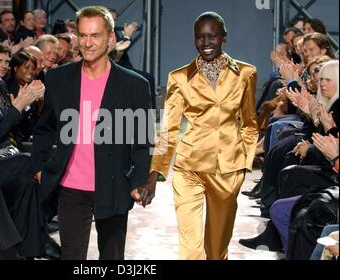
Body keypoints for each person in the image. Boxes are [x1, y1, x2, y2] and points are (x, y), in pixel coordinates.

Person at [32, 5, 153, 260]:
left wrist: (138, 180)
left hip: (114, 185)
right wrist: (40, 167)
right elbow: (44, 129)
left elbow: (142, 141)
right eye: (83, 35)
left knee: (112, 258)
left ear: (110, 38)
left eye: (95, 35)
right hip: (70, 187)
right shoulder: (58, 79)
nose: (87, 43)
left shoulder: (136, 85)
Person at [144, 11, 259, 260]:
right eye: (200, 37)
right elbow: (169, 128)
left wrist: (244, 164)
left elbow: (250, 123)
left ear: (224, 37)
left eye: (212, 36)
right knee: (191, 250)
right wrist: (155, 173)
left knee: (216, 252)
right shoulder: (179, 77)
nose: (206, 43)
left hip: (227, 169)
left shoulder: (246, 73)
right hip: (189, 167)